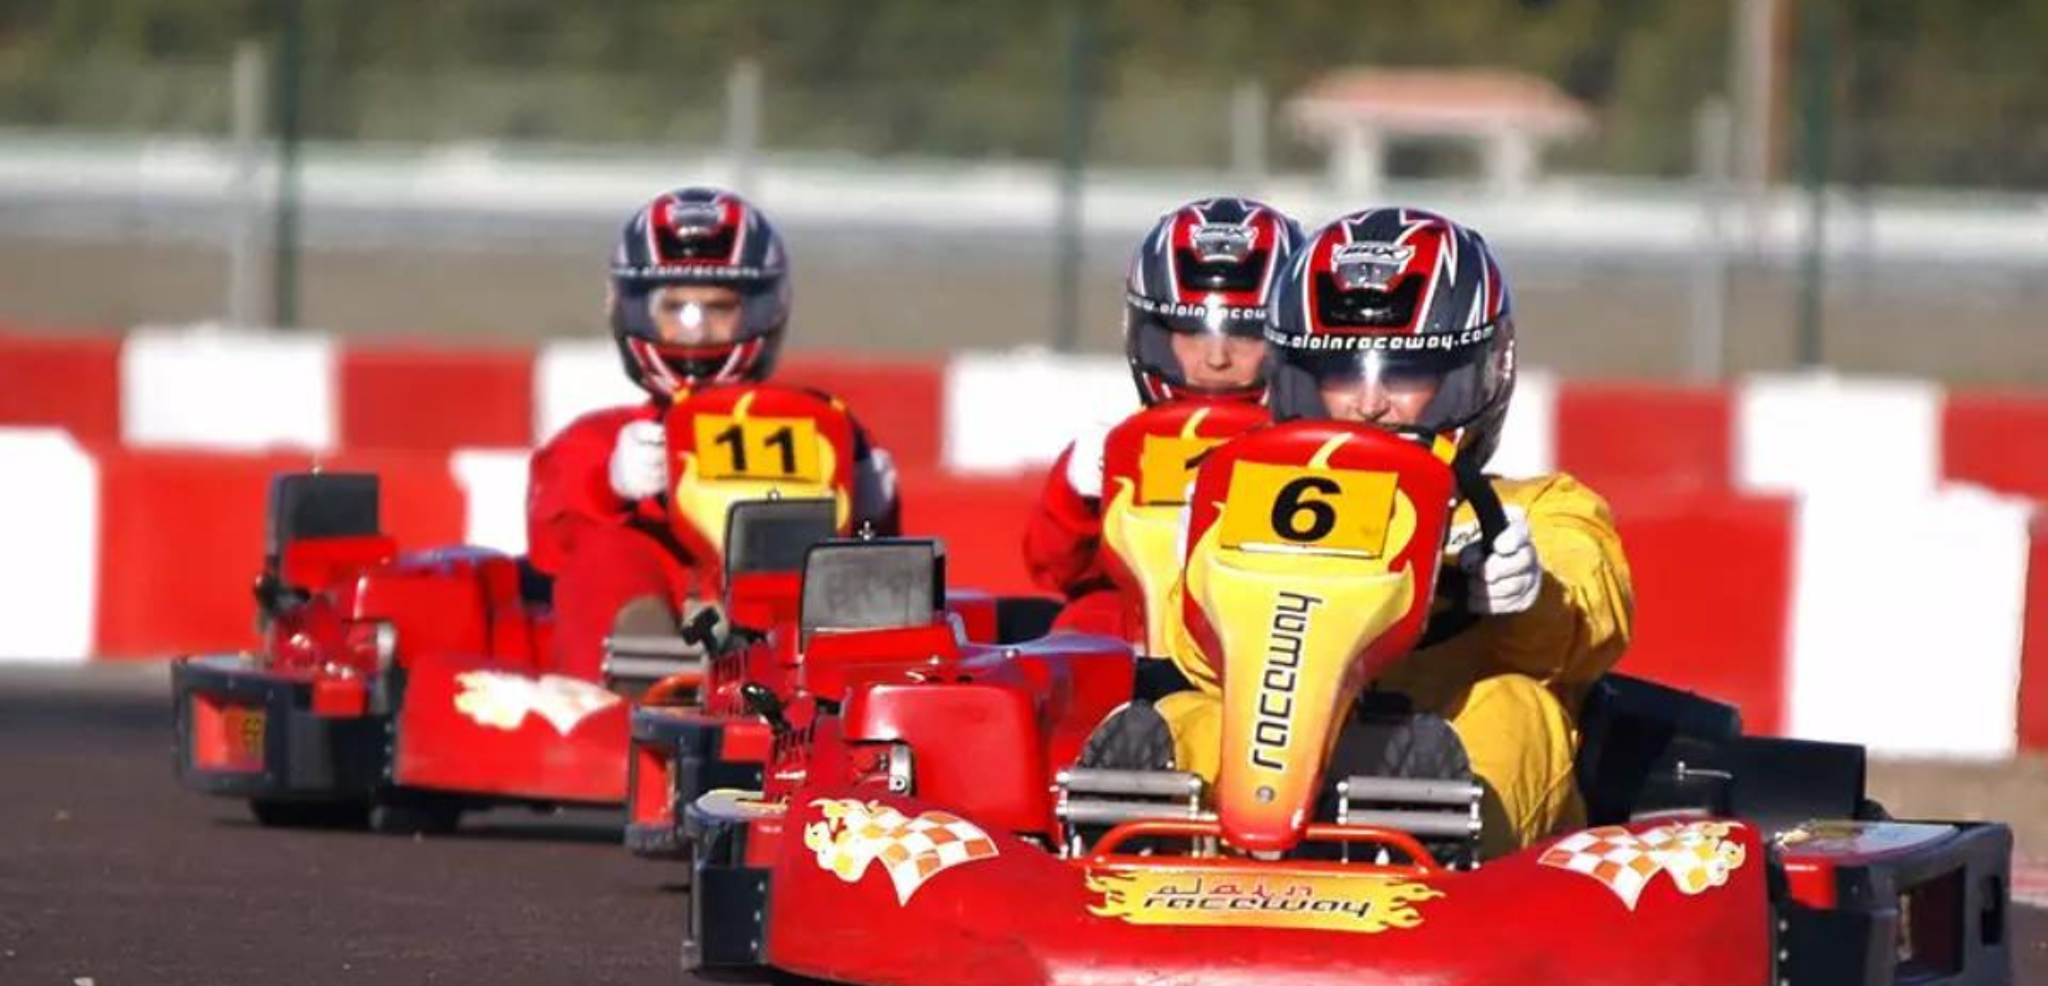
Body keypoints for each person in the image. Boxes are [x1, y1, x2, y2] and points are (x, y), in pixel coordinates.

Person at [1110, 208, 1634, 858]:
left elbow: (1594, 614)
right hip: (1287, 746)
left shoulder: (1533, 508)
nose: (1368, 402)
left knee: (1519, 707)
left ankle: (1434, 841)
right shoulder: (1259, 498)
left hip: (1450, 750)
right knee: (1184, 717)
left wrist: (1530, 595)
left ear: (1477, 374)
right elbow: (1200, 666)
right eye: (1340, 374)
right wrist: (1203, 577)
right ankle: (1139, 845)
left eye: (1405, 374)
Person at [527, 187, 899, 680]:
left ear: (763, 310)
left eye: (718, 308)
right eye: (676, 308)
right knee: (609, 548)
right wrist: (608, 486)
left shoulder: (819, 423)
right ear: (632, 309)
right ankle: (651, 675)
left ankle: (854, 699)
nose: (697, 330)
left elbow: (879, 566)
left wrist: (872, 508)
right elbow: (550, 542)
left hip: (789, 641)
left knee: (871, 567)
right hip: (635, 659)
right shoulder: (602, 439)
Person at [1022, 197, 1301, 637]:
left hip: (1263, 630)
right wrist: (1078, 494)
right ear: (1149, 333)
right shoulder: (1120, 446)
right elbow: (1054, 567)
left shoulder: (1313, 451)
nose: (1217, 357)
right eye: (1192, 333)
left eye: (1246, 335)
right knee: (1084, 623)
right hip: (1139, 634)